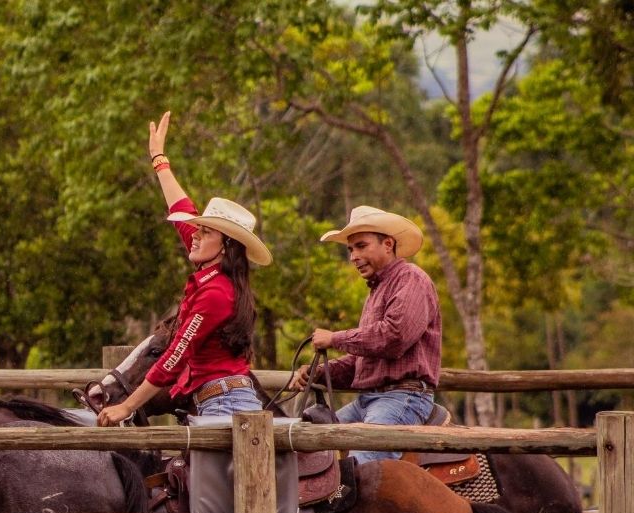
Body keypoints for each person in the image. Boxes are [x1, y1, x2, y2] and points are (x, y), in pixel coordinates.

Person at [97, 110, 271, 428]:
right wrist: (159, 159)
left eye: (205, 232)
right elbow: (182, 210)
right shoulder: (216, 270)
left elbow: (174, 357)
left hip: (224, 404)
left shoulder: (216, 294)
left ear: (226, 245)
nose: (195, 235)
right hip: (217, 400)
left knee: (205, 479)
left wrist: (126, 407)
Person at [289, 205, 440, 461]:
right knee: (307, 450)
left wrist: (335, 338)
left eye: (361, 246)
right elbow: (364, 361)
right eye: (350, 249)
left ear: (388, 244)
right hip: (370, 400)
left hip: (403, 397)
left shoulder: (412, 279)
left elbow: (394, 338)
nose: (353, 257)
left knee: (358, 467)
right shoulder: (375, 292)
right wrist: (318, 373)